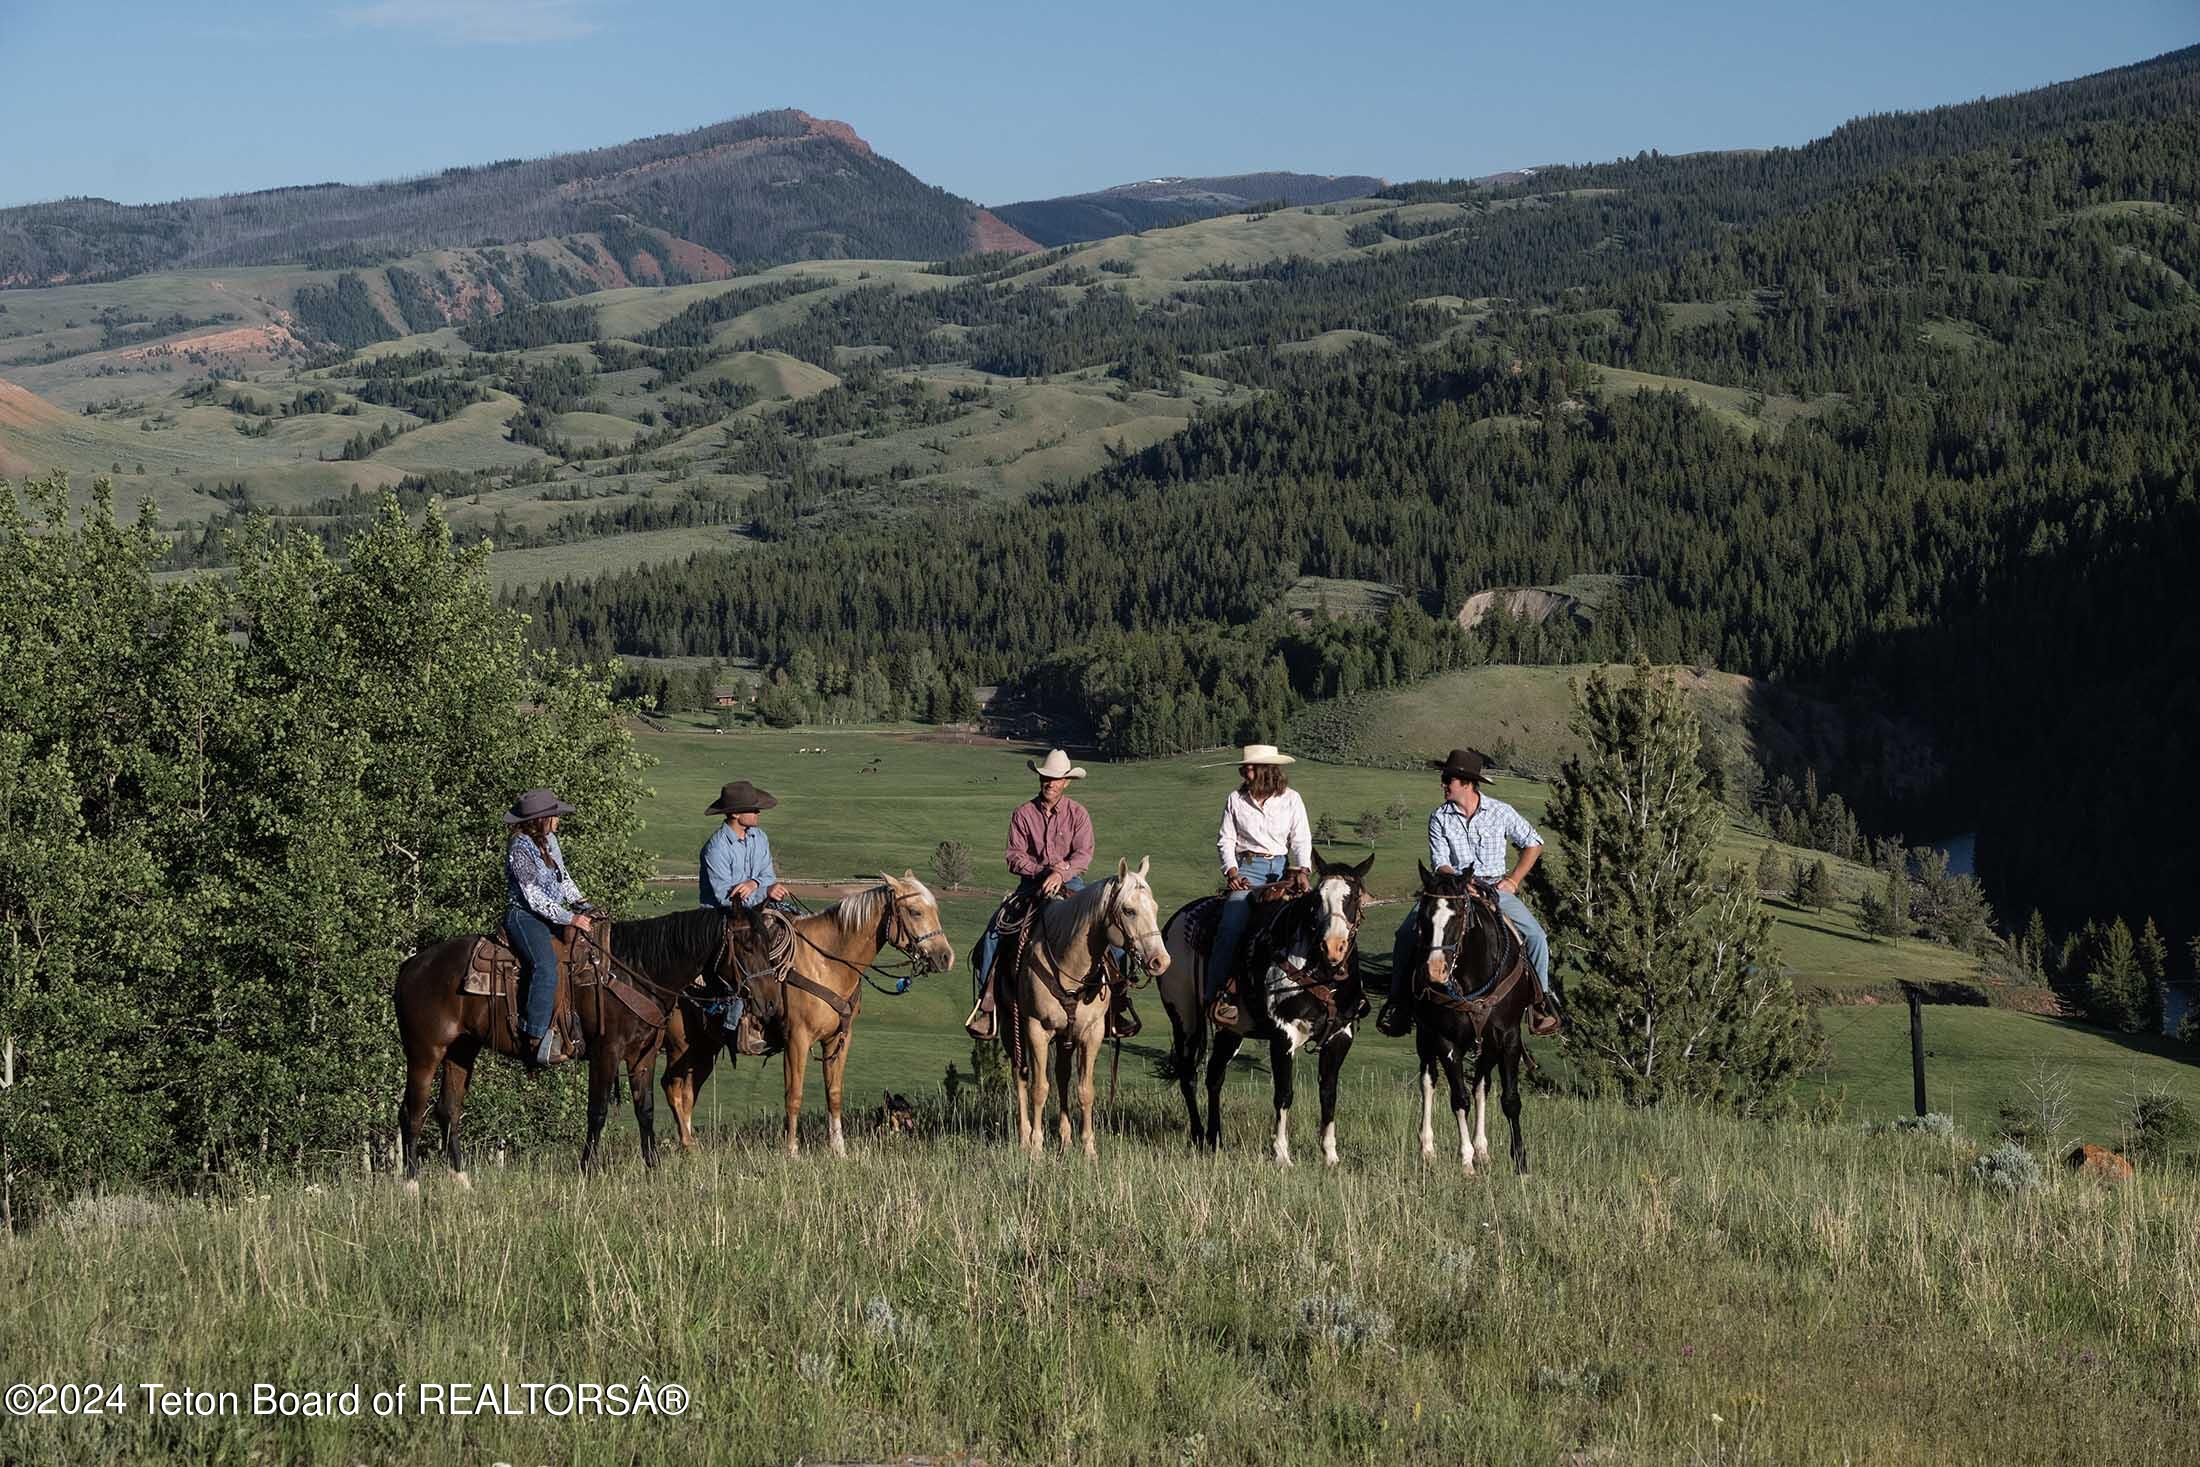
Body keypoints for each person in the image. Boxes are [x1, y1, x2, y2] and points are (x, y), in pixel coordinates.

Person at [1378, 748, 1561, 1037]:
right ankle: (1399, 1001)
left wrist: (1513, 880)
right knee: (1404, 935)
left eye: (1447, 779)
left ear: (1465, 782)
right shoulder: (1439, 817)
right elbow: (1440, 862)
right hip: (1450, 891)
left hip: (1494, 889)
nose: (1443, 784)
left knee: (1537, 936)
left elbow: (1534, 843)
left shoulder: (1501, 812)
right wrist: (1461, 882)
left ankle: (1541, 1002)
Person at [966, 749, 1138, 1040]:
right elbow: (1013, 856)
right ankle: (987, 1007)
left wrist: (1062, 872)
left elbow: (1084, 854)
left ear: (1066, 782)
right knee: (994, 935)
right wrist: (1043, 871)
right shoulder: (1023, 814)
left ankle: (1117, 1005)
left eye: (1056, 778)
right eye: (1046, 777)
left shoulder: (1078, 814)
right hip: (1031, 887)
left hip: (1074, 886)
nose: (1050, 782)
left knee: (1116, 936)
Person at [1205, 744, 1313, 1028]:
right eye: (1244, 767)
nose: (1244, 771)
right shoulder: (1235, 799)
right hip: (1248, 868)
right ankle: (1217, 996)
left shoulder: (1291, 799)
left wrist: (1302, 869)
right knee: (1231, 926)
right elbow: (1226, 839)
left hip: (1282, 869)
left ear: (1266, 770)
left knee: (1309, 924)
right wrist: (1231, 870)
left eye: (1250, 767)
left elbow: (1300, 838)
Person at [504, 787, 594, 1069]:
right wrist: (570, 918)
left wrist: (583, 903)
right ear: (540, 819)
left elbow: (562, 877)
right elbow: (533, 897)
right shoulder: (519, 847)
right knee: (544, 964)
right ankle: (535, 1035)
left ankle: (571, 1025)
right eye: (554, 815)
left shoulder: (550, 839)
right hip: (525, 916)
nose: (558, 820)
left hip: (553, 915)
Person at [699, 779, 791, 1054]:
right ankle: (733, 1025)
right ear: (736, 814)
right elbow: (724, 897)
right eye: (754, 809)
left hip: (756, 909)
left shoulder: (759, 838)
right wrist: (761, 889)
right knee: (745, 959)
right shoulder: (716, 848)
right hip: (722, 917)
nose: (758, 814)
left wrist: (754, 884)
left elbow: (766, 877)